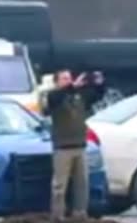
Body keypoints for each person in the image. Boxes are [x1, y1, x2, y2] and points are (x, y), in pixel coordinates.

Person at [42, 69, 104, 222]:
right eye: (64, 78)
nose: (68, 81)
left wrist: (98, 84)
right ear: (57, 82)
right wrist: (73, 86)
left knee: (82, 183)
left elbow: (97, 96)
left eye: (69, 78)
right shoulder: (54, 96)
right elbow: (54, 100)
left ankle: (80, 213)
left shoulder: (79, 95)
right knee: (59, 185)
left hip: (80, 145)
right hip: (62, 147)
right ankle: (57, 215)